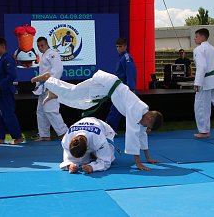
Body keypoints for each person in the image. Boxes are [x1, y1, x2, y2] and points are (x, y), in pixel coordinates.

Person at [31, 70, 163, 170]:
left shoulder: (143, 112)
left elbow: (142, 133)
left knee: (84, 103)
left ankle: (55, 94)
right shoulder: (137, 110)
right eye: (147, 124)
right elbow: (133, 135)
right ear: (149, 117)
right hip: (106, 84)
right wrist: (138, 163)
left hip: (107, 89)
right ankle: (48, 79)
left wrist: (148, 157)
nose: (145, 126)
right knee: (75, 92)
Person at [32, 36, 68, 141]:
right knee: (41, 111)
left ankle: (64, 133)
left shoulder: (52, 53)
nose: (40, 47)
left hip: (51, 86)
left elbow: (58, 69)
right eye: (38, 46)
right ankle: (44, 135)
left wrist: (51, 83)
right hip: (43, 87)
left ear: (47, 44)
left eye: (42, 45)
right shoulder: (44, 55)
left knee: (51, 109)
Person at [0, 38, 24, 145]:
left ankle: (18, 137)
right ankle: (0, 138)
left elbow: (12, 76)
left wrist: (0, 85)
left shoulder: (8, 59)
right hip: (0, 92)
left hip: (6, 91)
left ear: (3, 47)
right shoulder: (0, 58)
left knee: (8, 114)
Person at [105, 37, 137, 132]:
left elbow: (131, 73)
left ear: (125, 46)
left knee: (118, 109)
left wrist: (131, 88)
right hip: (121, 88)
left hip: (126, 89)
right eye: (117, 46)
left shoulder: (126, 58)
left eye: (120, 46)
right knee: (123, 109)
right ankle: (110, 129)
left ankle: (109, 130)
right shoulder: (122, 57)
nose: (118, 48)